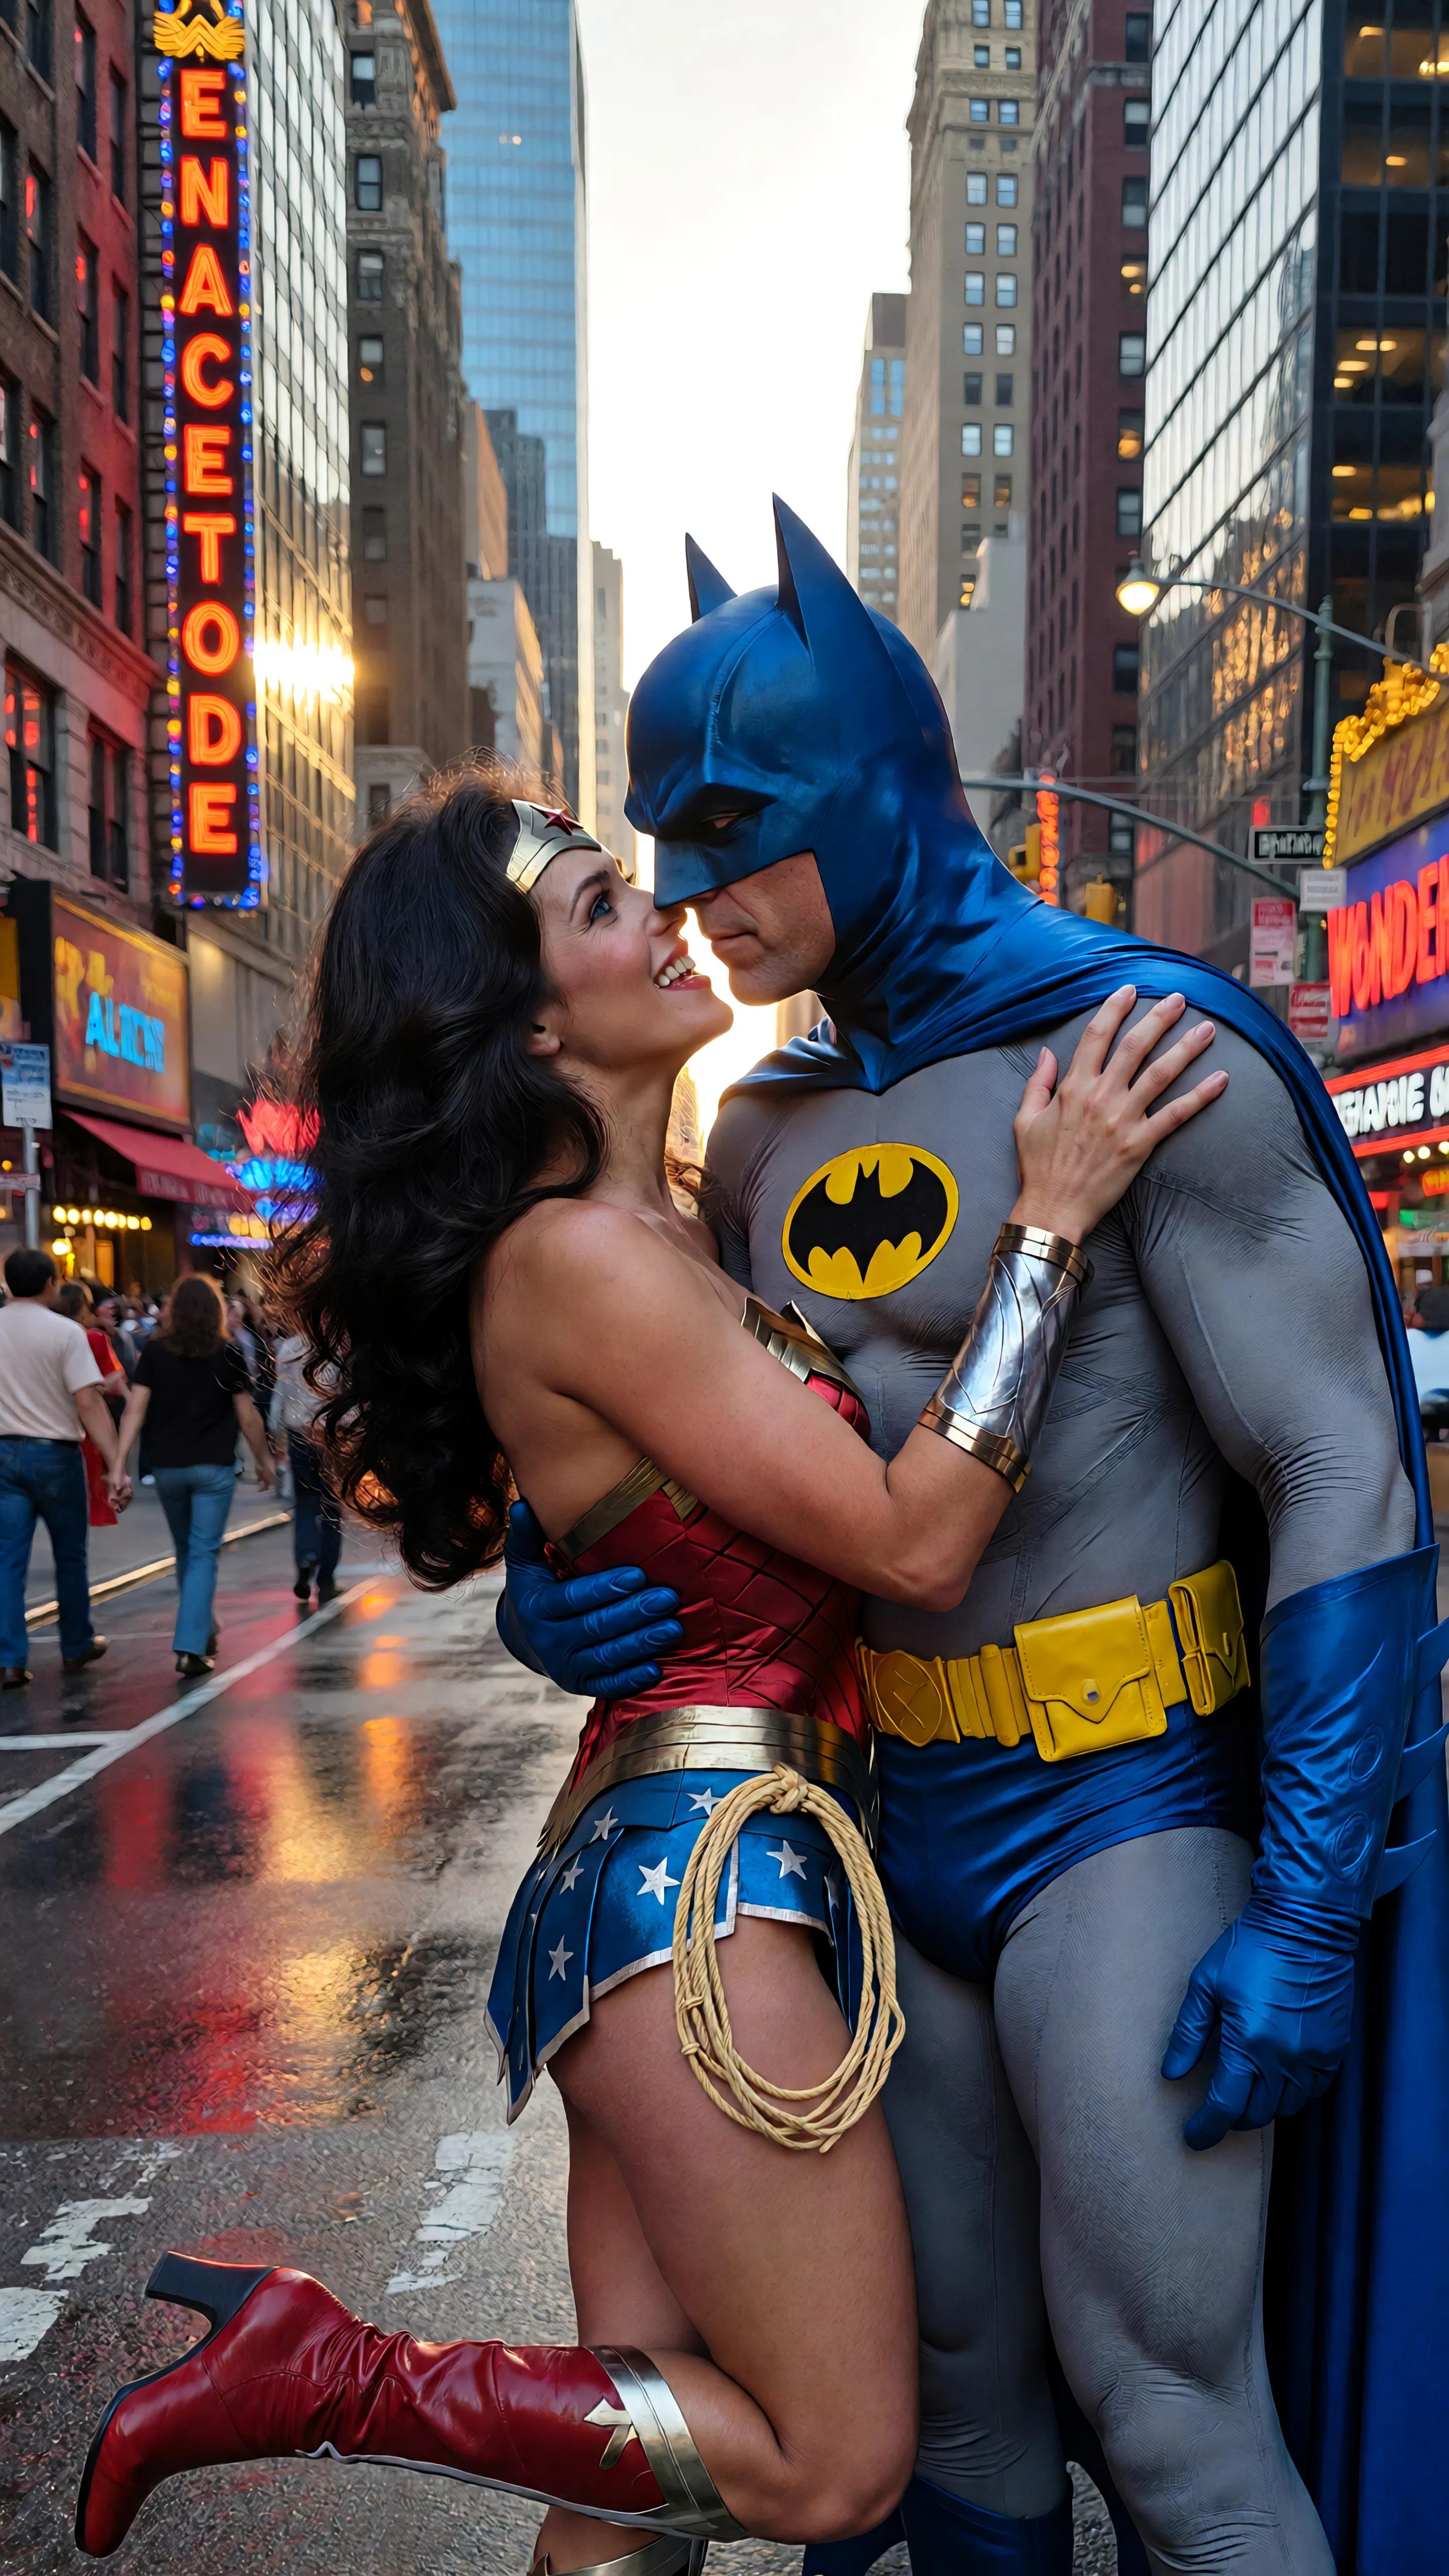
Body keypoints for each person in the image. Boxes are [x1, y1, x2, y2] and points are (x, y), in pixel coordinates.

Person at [74, 785, 1225, 2566]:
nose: (671, 916)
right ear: (532, 1020)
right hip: (701, 1900)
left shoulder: (669, 1227)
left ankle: (332, 2372)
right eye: (608, 906)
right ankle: (327, 2373)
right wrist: (1051, 1226)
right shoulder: (581, 1258)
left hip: (681, 1875)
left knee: (628, 2502)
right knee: (832, 2460)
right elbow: (914, 1539)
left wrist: (553, 1582)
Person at [497, 505, 1449, 2576]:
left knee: (1172, 2412)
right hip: (885, 1821)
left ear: (864, 789)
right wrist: (562, 1556)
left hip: (1130, 1809)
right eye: (661, 849)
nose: (692, 896)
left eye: (731, 834)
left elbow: (1340, 1474)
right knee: (956, 2411)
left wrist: (1306, 1906)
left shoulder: (1143, 1057)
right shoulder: (763, 1128)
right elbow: (709, 1432)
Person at [110, 1274, 276, 1678]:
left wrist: (118, 1464)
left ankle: (203, 1626)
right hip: (213, 1468)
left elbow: (135, 1410)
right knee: (202, 1553)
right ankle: (190, 1646)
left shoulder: (156, 1352)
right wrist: (263, 1460)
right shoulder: (229, 1352)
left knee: (186, 1551)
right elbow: (248, 1417)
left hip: (168, 1468)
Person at [0, 1248, 126, 1687]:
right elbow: (88, 1402)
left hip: (4, 1453)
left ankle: (10, 1657)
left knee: (8, 1559)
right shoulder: (66, 1332)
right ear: (50, 1284)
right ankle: (75, 1644)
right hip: (56, 1454)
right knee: (70, 1556)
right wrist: (116, 1464)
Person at [269, 1329, 342, 1600]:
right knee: (331, 1511)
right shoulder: (338, 1348)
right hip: (330, 1439)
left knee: (305, 1504)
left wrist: (277, 1435)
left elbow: (280, 1396)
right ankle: (327, 1578)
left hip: (299, 1437)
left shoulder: (289, 1349)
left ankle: (306, 1554)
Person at [56, 1282, 127, 1529]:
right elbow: (114, 1381)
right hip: (88, 1422)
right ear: (83, 1307)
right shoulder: (94, 1338)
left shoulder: (45, 1336)